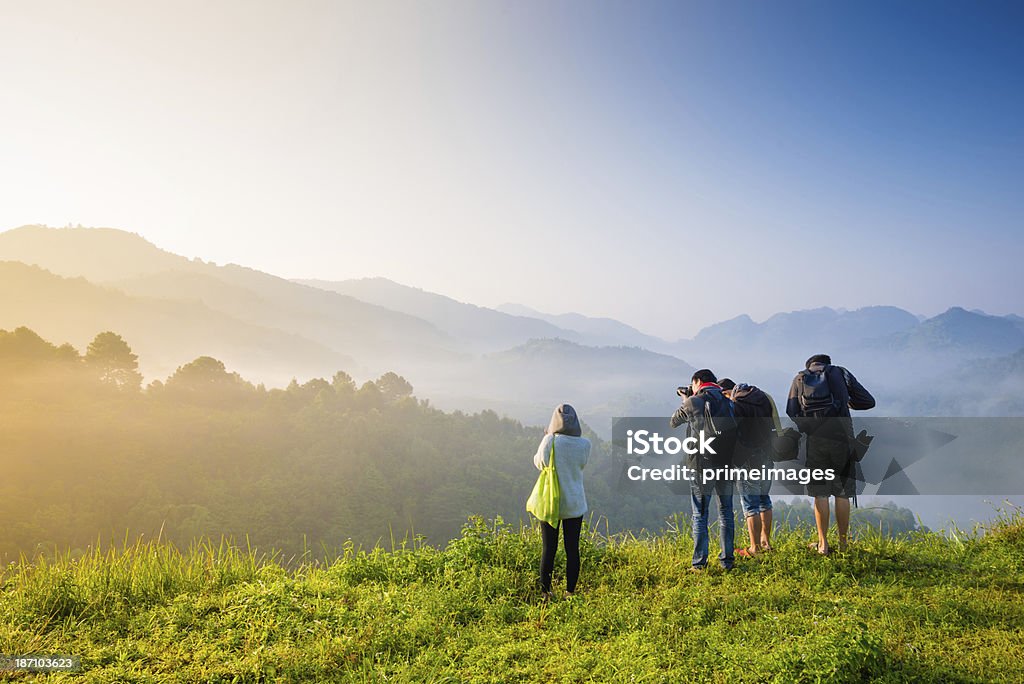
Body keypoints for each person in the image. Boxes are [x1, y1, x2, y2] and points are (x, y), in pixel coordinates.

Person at [786, 354, 875, 555]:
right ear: (827, 363)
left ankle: (823, 544)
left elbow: (791, 410)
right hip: (842, 437)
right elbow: (868, 401)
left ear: (809, 366)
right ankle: (843, 544)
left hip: (816, 440)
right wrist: (846, 403)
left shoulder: (800, 378)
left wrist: (808, 425)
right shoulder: (841, 373)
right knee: (842, 493)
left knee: (820, 492)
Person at [670, 369, 736, 571]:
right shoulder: (728, 401)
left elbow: (673, 422)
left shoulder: (692, 402)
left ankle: (699, 564)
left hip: (701, 464)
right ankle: (727, 561)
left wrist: (685, 400)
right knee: (725, 512)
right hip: (725, 463)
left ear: (697, 381)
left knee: (700, 513)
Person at [532, 403, 591, 598]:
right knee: (572, 549)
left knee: (549, 547)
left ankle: (546, 592)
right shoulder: (585, 444)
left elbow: (540, 463)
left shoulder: (550, 441)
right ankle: (570, 592)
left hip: (552, 502)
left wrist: (547, 436)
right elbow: (580, 464)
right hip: (574, 503)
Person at [720, 378, 782, 557]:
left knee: (750, 506)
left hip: (747, 460)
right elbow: (776, 424)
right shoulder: (764, 397)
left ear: (727, 392)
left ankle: (754, 549)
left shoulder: (736, 404)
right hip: (767, 455)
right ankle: (766, 543)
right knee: (764, 500)